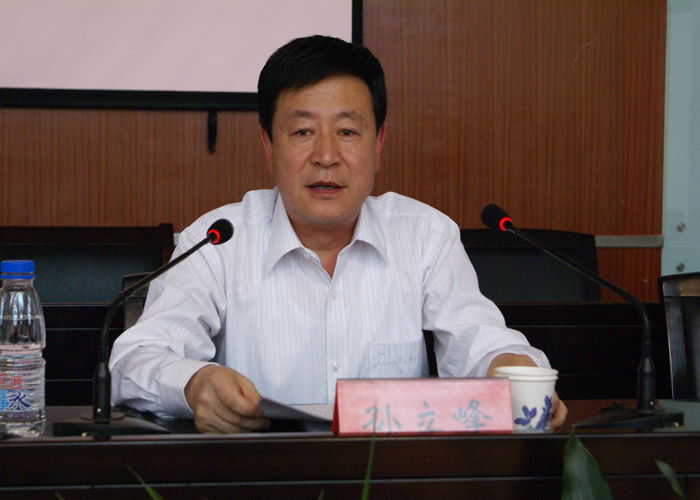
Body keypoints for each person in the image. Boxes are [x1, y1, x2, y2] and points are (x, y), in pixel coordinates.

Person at [109, 35, 567, 433]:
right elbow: (135, 361)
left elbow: (481, 342)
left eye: (347, 131)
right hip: (258, 475)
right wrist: (195, 385)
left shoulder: (424, 236)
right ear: (268, 145)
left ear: (378, 144)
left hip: (391, 478)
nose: (326, 155)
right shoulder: (218, 241)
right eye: (303, 131)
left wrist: (515, 375)